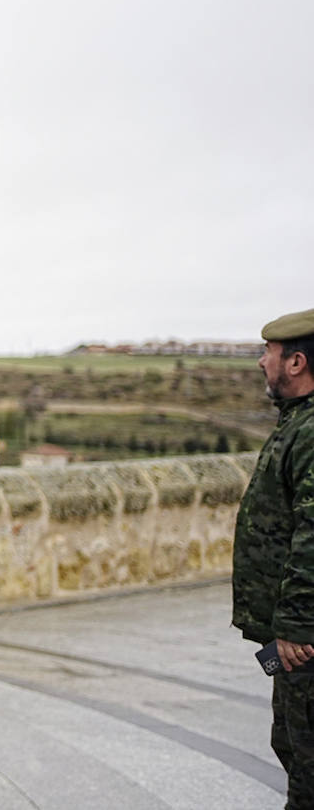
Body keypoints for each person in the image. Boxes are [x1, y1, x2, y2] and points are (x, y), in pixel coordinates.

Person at [232, 307, 314, 809]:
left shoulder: (309, 432)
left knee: (307, 766)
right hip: (293, 637)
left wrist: (298, 626)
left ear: (296, 362)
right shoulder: (297, 423)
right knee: (291, 746)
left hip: (302, 639)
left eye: (270, 353)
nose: (262, 362)